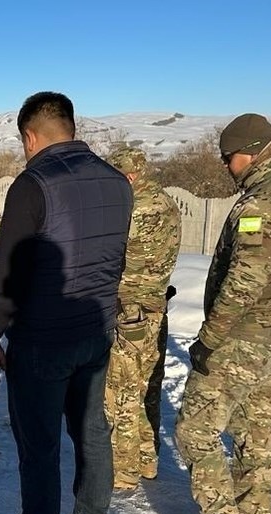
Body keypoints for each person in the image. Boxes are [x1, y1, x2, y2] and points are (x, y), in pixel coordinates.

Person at [0, 92, 133, 514]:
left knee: (40, 447)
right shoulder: (118, 182)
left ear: (30, 136)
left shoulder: (33, 184)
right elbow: (115, 259)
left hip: (43, 340)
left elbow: (9, 273)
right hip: (95, 331)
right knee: (92, 432)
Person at [171, 114, 271, 514]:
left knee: (194, 431)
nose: (227, 166)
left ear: (248, 153)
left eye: (228, 158)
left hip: (241, 341)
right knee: (257, 429)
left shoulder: (261, 204)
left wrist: (209, 338)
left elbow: (243, 283)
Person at [103, 146, 180, 489]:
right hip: (153, 309)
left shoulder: (137, 208)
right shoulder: (166, 202)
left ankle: (122, 473)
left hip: (128, 312)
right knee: (146, 388)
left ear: (128, 175)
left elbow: (125, 262)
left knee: (121, 392)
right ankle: (147, 461)